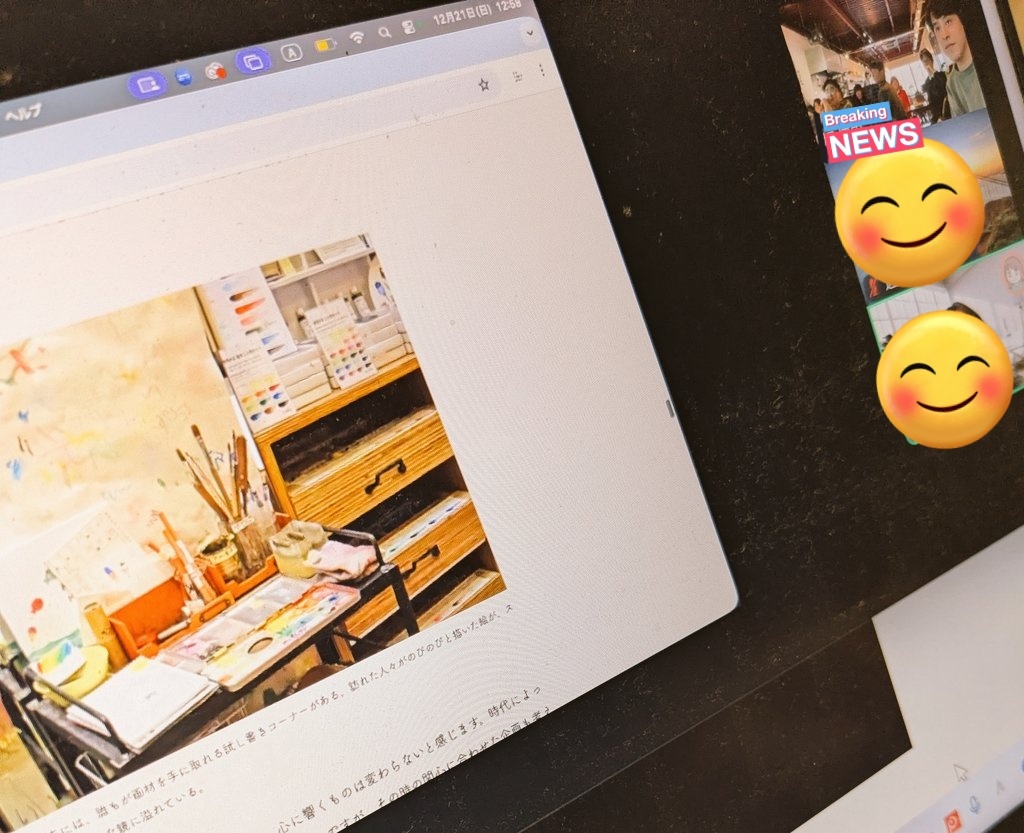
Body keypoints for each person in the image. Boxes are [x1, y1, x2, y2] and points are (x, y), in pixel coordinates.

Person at [923, 0, 985, 116]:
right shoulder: (952, 83)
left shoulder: (991, 62)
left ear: (963, 22)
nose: (944, 35)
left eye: (948, 22)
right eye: (937, 28)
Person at [920, 48, 948, 123]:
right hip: (935, 115)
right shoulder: (926, 82)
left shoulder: (941, 75)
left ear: (931, 61)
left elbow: (944, 89)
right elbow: (929, 101)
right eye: (924, 62)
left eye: (927, 60)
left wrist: (932, 71)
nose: (926, 64)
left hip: (945, 112)